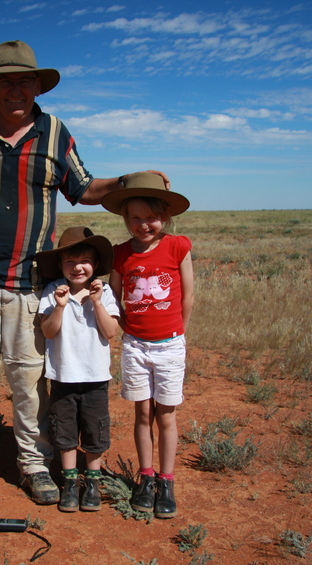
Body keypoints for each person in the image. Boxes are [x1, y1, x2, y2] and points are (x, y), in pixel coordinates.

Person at [0, 39, 169, 508]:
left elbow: (83, 188)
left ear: (37, 85)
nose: (15, 89)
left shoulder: (54, 133)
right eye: (5, 81)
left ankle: (34, 463)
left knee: (30, 380)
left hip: (29, 281)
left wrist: (130, 181)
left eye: (24, 80)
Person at [104, 172, 193, 519]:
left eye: (151, 217)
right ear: (125, 219)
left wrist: (177, 333)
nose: (144, 225)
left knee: (165, 415)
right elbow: (114, 299)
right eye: (135, 218)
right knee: (142, 413)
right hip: (135, 347)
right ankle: (145, 476)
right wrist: (129, 329)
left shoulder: (178, 246)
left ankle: (166, 480)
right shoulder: (120, 254)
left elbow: (188, 296)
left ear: (165, 217)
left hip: (170, 345)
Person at [36, 227, 120, 512]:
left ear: (95, 265)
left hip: (96, 377)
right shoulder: (52, 291)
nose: (77, 267)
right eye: (70, 262)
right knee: (65, 430)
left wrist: (96, 302)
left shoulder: (104, 291)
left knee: (95, 431)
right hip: (63, 376)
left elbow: (110, 331)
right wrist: (59, 307)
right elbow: (48, 332)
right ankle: (71, 482)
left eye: (84, 260)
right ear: (61, 266)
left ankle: (93, 481)